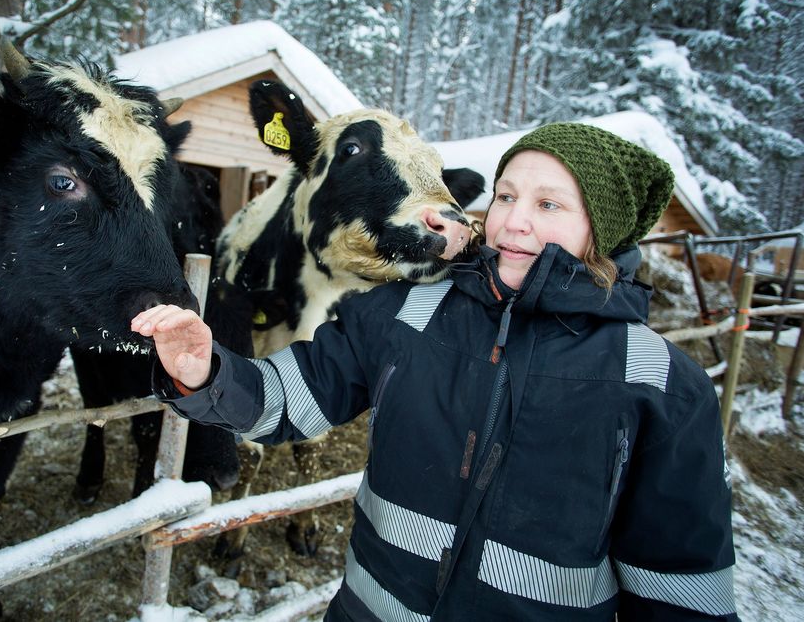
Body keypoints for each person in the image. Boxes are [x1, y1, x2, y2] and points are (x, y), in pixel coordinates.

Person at [132, 122, 739, 621]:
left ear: (600, 231)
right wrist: (208, 373)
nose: (513, 222)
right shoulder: (405, 312)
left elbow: (681, 589)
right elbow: (290, 395)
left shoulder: (662, 383)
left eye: (548, 204)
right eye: (505, 196)